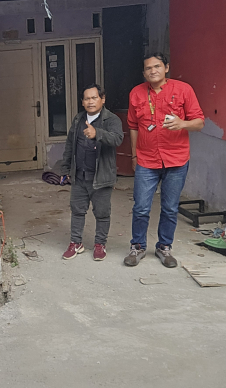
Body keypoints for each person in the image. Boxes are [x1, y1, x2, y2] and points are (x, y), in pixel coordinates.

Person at [124, 53, 204, 268]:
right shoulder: (136, 93)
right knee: (141, 207)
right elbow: (133, 126)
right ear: (144, 72)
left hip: (176, 160)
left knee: (169, 208)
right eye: (148, 68)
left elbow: (199, 122)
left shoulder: (183, 89)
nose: (153, 71)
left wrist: (182, 124)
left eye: (157, 66)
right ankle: (137, 247)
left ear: (166, 68)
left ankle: (164, 247)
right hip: (146, 160)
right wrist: (134, 155)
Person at [59, 83, 124, 261]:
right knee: (77, 210)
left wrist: (97, 133)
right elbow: (70, 144)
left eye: (94, 98)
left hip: (101, 176)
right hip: (80, 175)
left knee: (102, 213)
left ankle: (100, 244)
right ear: (82, 102)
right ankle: (76, 243)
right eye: (86, 98)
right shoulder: (78, 119)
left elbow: (117, 139)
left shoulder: (111, 120)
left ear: (102, 99)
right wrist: (65, 168)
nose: (90, 102)